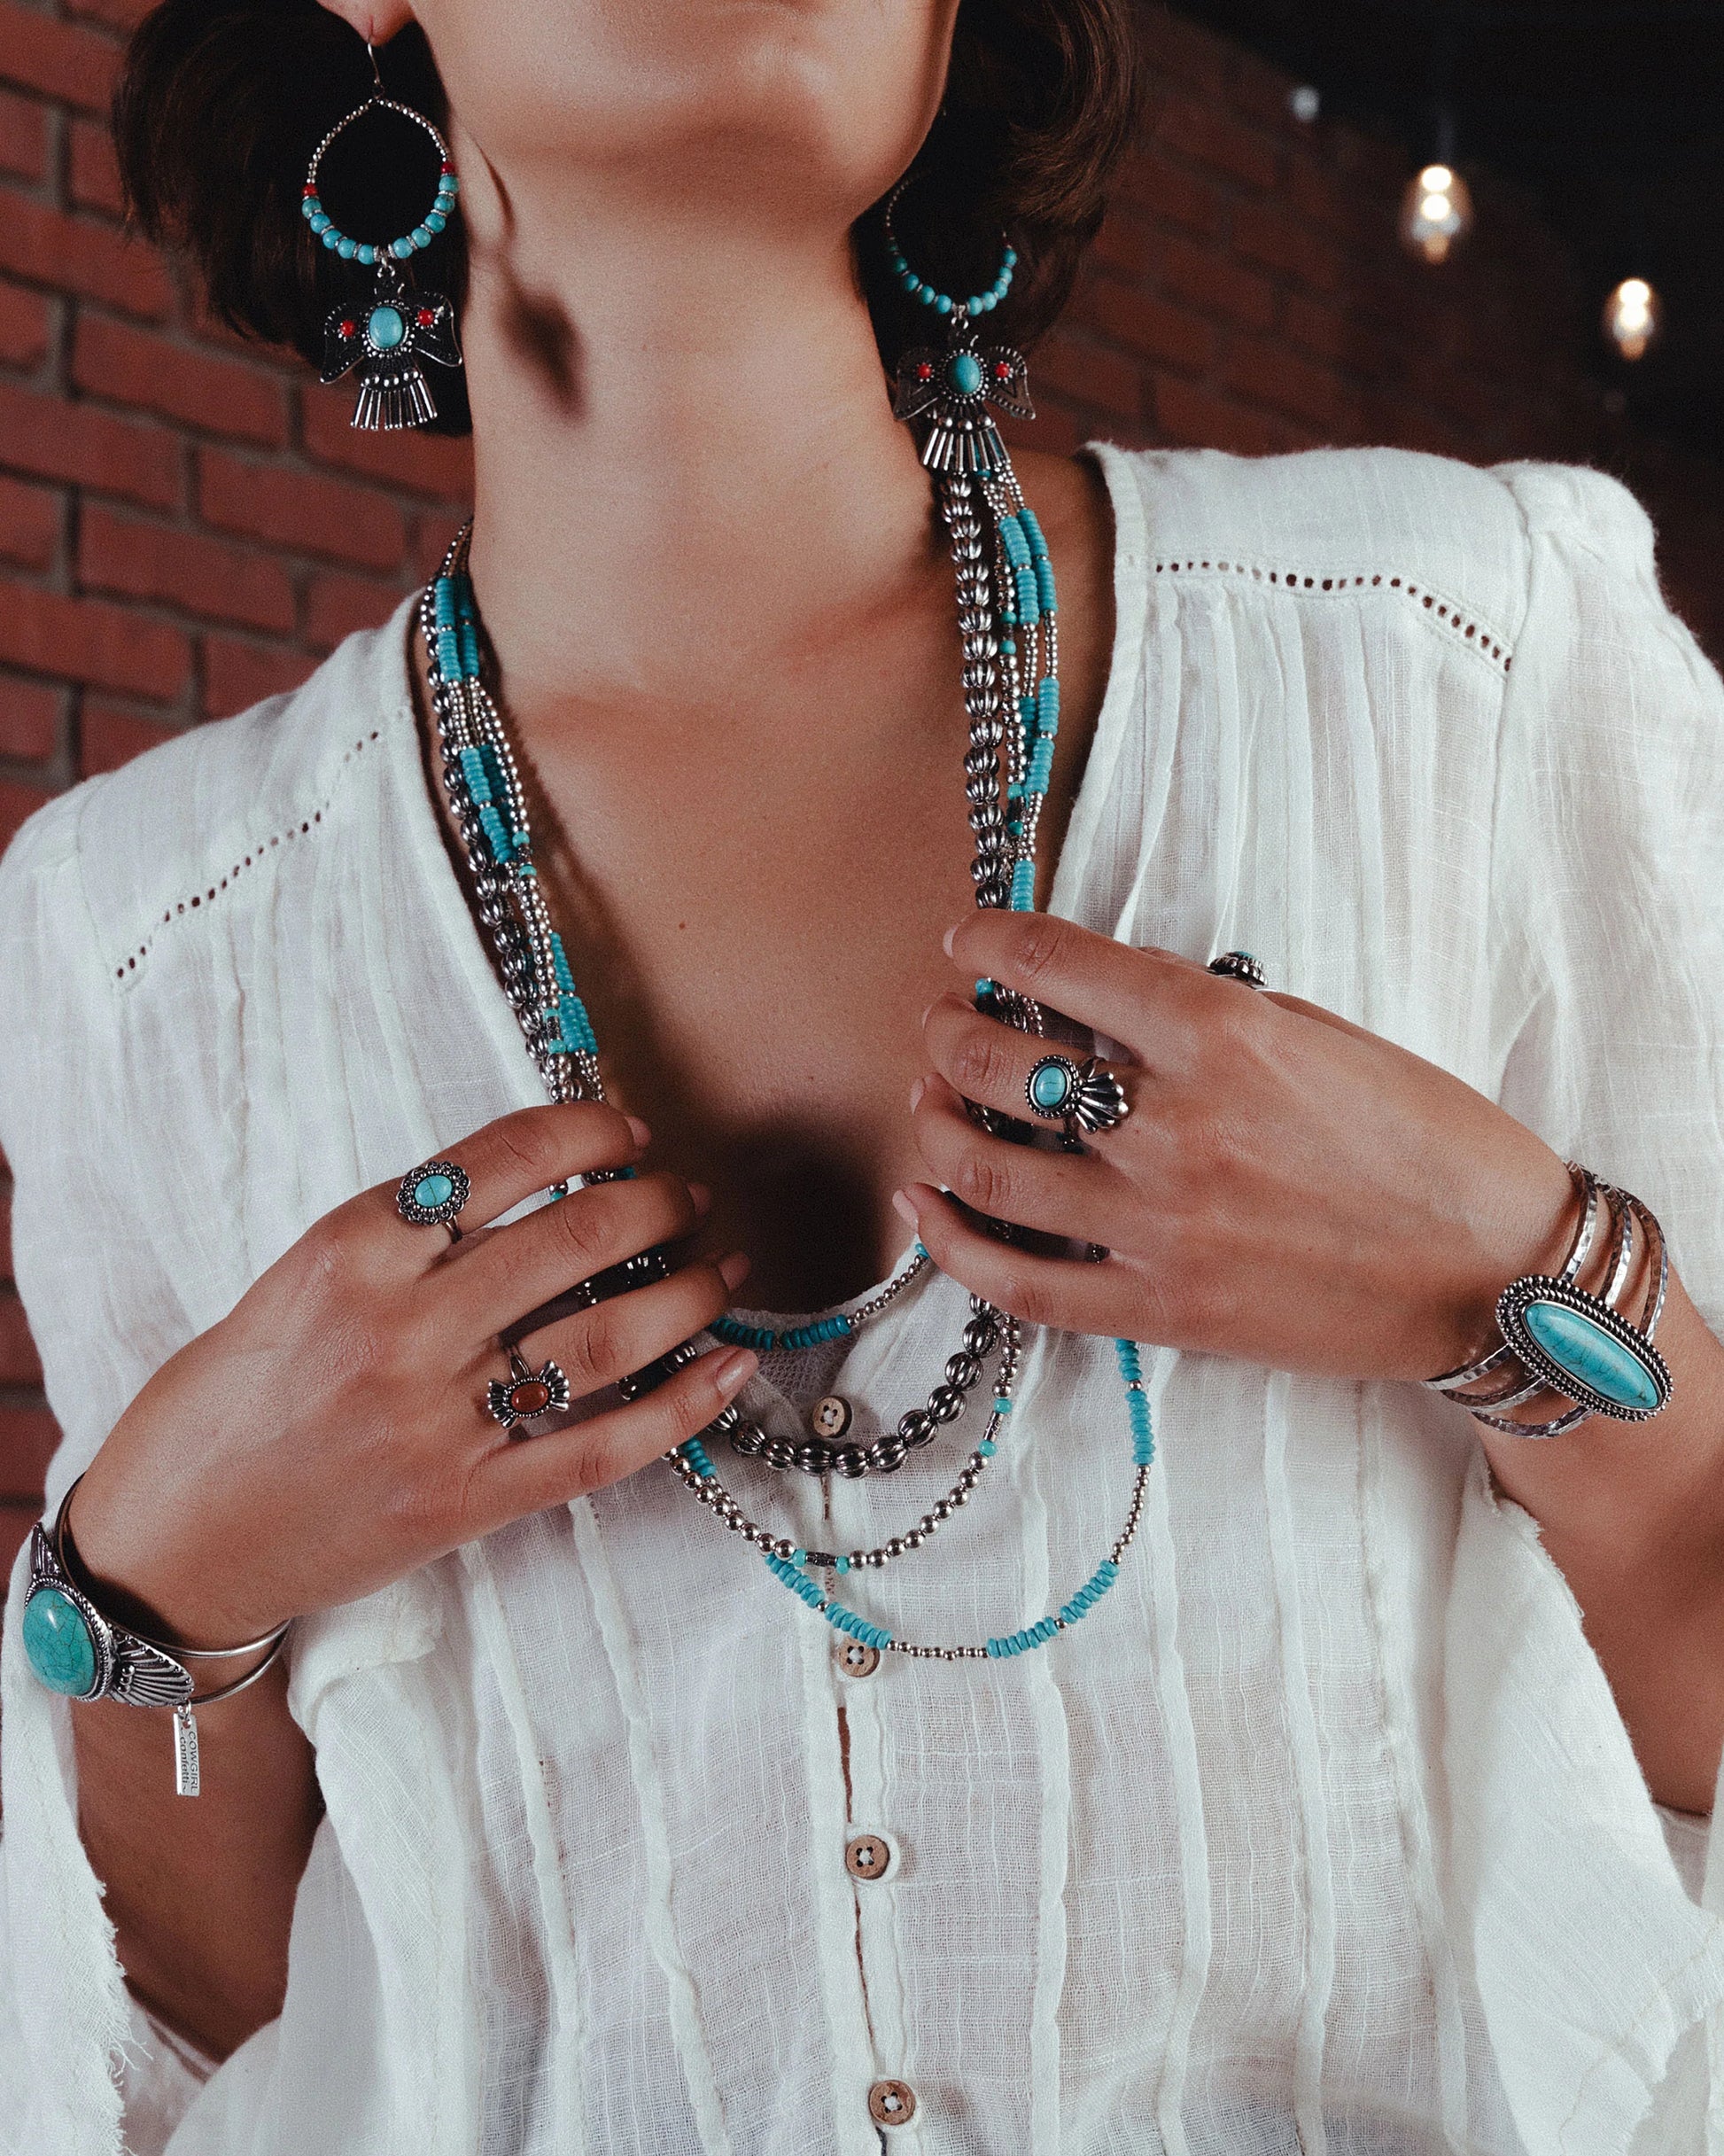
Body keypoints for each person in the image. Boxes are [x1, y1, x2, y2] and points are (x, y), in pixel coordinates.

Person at [3, 0, 1723, 2149]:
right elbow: (190, 2024)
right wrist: (157, 1576)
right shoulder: (145, 940)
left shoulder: (1461, 653)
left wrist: (1520, 1274)